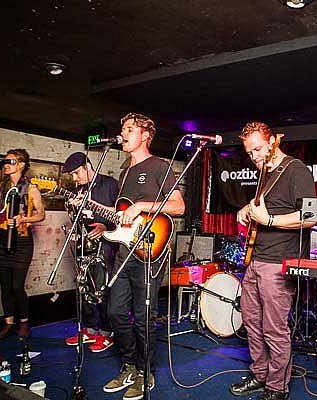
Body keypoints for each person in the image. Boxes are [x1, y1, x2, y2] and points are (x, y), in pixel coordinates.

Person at [101, 113, 185, 400]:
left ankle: (144, 370)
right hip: (125, 250)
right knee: (114, 311)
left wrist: (142, 206)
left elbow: (178, 206)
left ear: (145, 135)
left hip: (150, 250)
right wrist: (97, 214)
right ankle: (129, 365)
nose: (123, 134)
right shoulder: (124, 172)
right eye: (122, 128)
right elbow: (123, 215)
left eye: (129, 129)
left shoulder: (159, 166)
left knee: (142, 315)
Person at [230, 122, 316, 400]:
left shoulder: (295, 170)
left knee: (274, 328)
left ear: (272, 143)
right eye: (249, 152)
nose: (254, 156)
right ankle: (260, 375)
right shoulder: (265, 174)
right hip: (256, 259)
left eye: (258, 149)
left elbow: (311, 216)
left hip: (280, 262)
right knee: (251, 321)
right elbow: (266, 204)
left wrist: (269, 220)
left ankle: (277, 388)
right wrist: (246, 209)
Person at [0, 149, 46, 340]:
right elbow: (0, 209)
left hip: (22, 240)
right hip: (1, 238)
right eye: (4, 162)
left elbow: (41, 215)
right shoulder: (2, 187)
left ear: (21, 165)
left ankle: (24, 323)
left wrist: (24, 219)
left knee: (17, 286)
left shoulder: (31, 188)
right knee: (5, 285)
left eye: (9, 161)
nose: (5, 165)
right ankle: (8, 324)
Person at [62, 152, 119, 353]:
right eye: (71, 175)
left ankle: (107, 333)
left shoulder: (110, 184)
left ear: (88, 166)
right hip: (84, 245)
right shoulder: (78, 190)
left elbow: (122, 215)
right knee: (84, 288)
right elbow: (81, 218)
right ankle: (91, 330)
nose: (74, 178)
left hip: (107, 245)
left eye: (76, 173)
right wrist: (75, 227)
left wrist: (105, 226)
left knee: (102, 289)